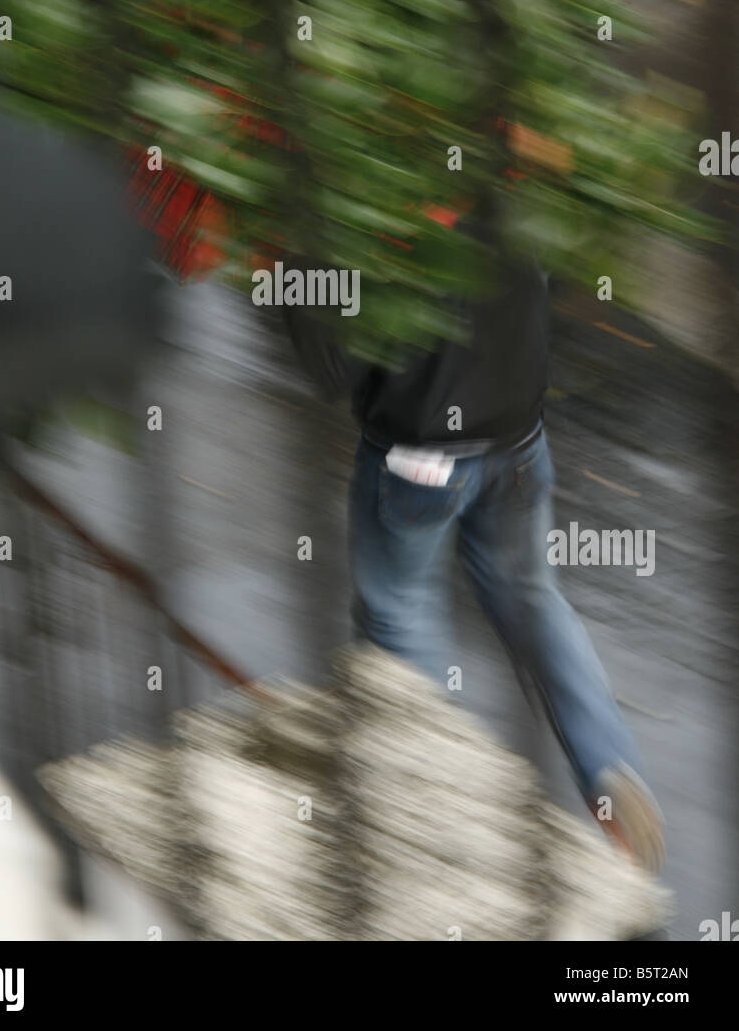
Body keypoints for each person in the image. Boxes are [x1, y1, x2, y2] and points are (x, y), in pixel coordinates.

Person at [283, 156, 665, 876]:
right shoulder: (501, 133)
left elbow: (331, 368)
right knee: (533, 601)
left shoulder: (358, 176)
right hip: (520, 439)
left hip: (416, 457)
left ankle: (434, 831)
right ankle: (612, 769)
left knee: (401, 615)